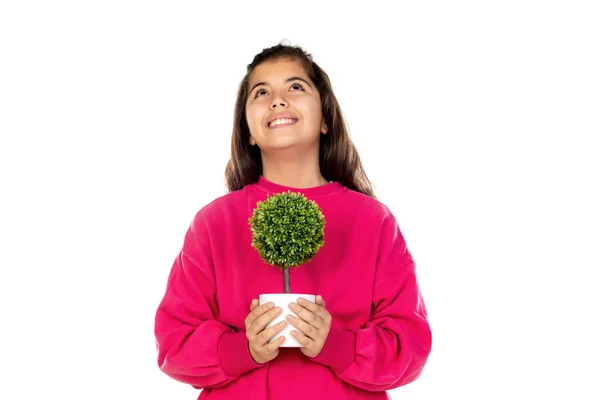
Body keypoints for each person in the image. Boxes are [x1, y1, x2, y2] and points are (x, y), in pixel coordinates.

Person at [154, 41, 432, 399]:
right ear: (249, 132)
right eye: (261, 92)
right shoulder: (214, 223)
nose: (278, 100)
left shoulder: (372, 221)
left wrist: (337, 346)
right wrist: (244, 349)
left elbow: (409, 346)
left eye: (296, 87)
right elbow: (174, 343)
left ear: (326, 120)